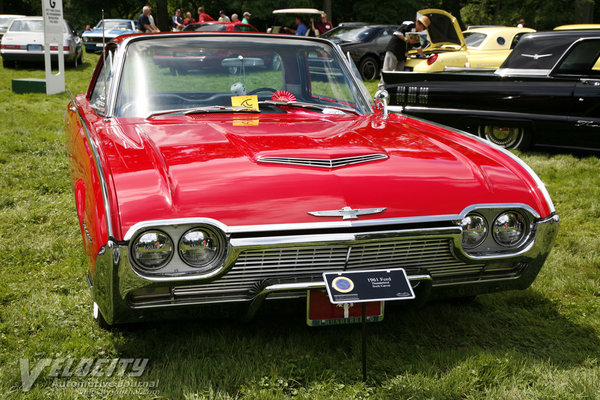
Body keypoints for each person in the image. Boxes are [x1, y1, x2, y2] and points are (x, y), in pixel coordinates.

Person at [380, 14, 430, 83]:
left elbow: (418, 47)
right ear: (421, 25)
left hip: (402, 54)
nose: (423, 30)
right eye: (424, 28)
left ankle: (394, 87)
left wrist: (424, 56)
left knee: (399, 72)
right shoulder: (409, 24)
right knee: (387, 70)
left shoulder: (416, 34)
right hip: (394, 49)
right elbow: (397, 33)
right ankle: (382, 88)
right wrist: (407, 39)